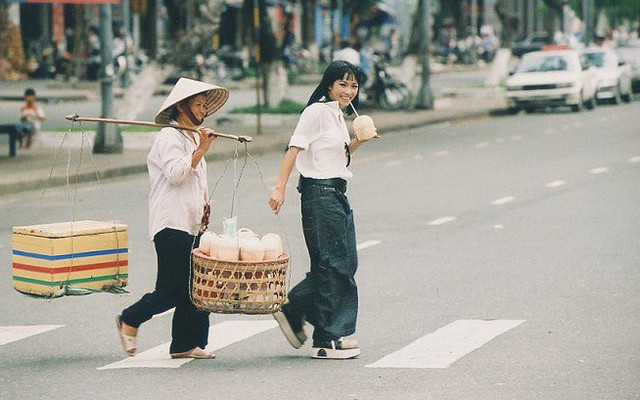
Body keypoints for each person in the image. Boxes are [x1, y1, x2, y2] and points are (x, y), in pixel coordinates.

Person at [269, 60, 378, 359]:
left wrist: (358, 141)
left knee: (344, 262)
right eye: (343, 84)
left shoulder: (337, 116)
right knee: (334, 264)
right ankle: (329, 337)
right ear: (329, 84)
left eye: (353, 85)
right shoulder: (316, 111)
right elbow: (294, 149)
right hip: (319, 193)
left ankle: (294, 308)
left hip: (336, 193)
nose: (348, 90)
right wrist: (279, 188)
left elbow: (337, 157)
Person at [116, 77, 229, 359]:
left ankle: (185, 344)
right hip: (171, 223)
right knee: (172, 289)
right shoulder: (169, 137)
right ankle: (130, 318)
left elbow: (196, 182)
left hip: (191, 224)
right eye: (198, 104)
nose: (203, 111)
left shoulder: (192, 137)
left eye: (205, 105)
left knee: (198, 287)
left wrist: (205, 205)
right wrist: (201, 150)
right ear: (181, 106)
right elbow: (177, 175)